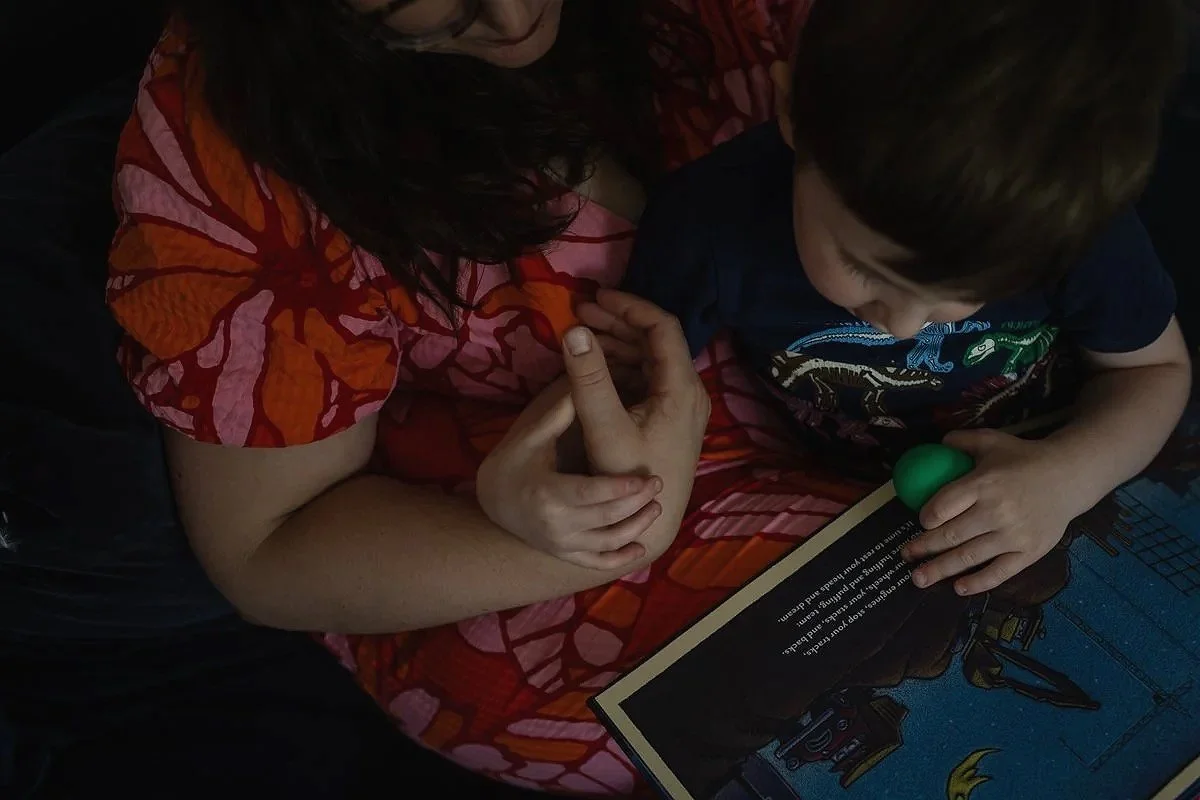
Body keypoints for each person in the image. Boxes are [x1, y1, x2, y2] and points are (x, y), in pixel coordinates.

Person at [106, 0, 840, 793]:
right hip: (527, 564)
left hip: (870, 426)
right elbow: (266, 554)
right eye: (422, 14)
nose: (515, 19)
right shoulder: (233, 146)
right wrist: (580, 536)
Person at [619, 0, 1192, 600]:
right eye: (862, 267)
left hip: (1057, 466)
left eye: (971, 294)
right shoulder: (706, 224)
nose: (902, 326)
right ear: (792, 112)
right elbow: (639, 389)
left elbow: (1156, 370)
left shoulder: (1074, 226)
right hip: (840, 513)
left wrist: (1069, 475)